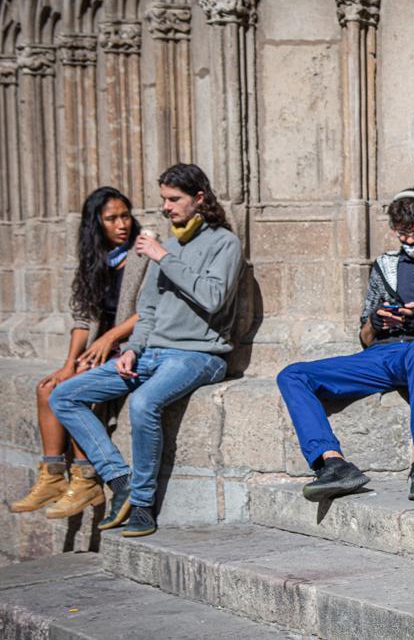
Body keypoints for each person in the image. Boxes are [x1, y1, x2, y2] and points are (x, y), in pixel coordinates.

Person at [50, 164, 243, 538]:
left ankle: (141, 504)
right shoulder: (166, 247)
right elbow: (149, 309)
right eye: (163, 200)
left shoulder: (223, 243)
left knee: (143, 404)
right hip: (151, 352)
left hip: (199, 356)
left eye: (175, 199)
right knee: (65, 394)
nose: (167, 208)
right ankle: (120, 480)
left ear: (199, 199)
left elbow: (213, 298)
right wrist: (133, 349)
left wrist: (161, 256)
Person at [276, 187, 414, 503]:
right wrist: (374, 324)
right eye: (404, 233)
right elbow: (364, 338)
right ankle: (332, 463)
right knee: (292, 375)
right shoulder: (385, 266)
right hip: (384, 354)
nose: (412, 240)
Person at [9, 188, 149, 519]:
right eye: (111, 218)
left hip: (131, 346)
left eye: (125, 215)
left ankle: (85, 476)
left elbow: (149, 310)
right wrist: (68, 363)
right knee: (48, 386)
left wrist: (110, 338)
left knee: (78, 388)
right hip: (103, 347)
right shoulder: (95, 260)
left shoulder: (143, 253)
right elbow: (84, 318)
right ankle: (53, 476)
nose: (121, 224)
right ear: (96, 224)